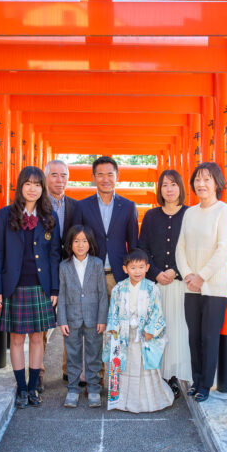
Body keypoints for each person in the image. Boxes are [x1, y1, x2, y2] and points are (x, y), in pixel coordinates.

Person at [0, 166, 61, 409]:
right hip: (14, 285)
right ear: (20, 186)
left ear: (42, 189)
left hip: (41, 287)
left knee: (38, 339)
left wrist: (54, 289)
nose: (33, 188)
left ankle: (33, 388)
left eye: (37, 184)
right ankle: (21, 388)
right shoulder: (5, 215)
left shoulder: (49, 217)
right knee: (17, 339)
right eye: (28, 183)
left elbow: (54, 256)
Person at [177, 162, 227, 402]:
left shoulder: (224, 211)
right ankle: (196, 379)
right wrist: (189, 274)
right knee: (194, 335)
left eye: (207, 179)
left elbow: (223, 249)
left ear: (217, 183)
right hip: (191, 285)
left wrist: (202, 276)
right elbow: (180, 247)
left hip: (215, 286)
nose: (201, 184)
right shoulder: (190, 212)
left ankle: (205, 385)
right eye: (198, 179)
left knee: (208, 337)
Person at [137, 169, 190, 398]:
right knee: (158, 330)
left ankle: (176, 374)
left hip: (182, 283)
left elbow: (194, 250)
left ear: (180, 188)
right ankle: (159, 375)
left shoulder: (191, 214)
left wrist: (176, 272)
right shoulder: (150, 216)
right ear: (159, 190)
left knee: (180, 330)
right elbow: (143, 249)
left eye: (173, 184)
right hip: (156, 285)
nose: (169, 189)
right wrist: (157, 273)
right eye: (165, 185)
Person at [103, 249, 174, 413]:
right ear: (125, 269)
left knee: (144, 366)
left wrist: (151, 330)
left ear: (147, 268)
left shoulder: (152, 289)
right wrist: (114, 331)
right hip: (124, 334)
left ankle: (148, 401)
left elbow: (157, 311)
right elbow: (113, 311)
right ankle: (122, 401)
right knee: (125, 366)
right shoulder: (118, 289)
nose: (137, 271)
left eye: (141, 267)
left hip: (144, 335)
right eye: (133, 267)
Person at [56, 225, 108, 408]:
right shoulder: (64, 266)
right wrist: (61, 320)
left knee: (94, 353)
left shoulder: (97, 264)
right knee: (72, 354)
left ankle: (94, 388)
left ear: (90, 243)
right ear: (70, 243)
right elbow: (61, 294)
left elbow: (102, 294)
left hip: (94, 317)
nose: (80, 245)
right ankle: (73, 389)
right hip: (71, 317)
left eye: (84, 241)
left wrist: (102, 318)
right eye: (76, 241)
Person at [71, 155, 139, 291]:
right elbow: (74, 241)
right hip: (89, 275)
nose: (105, 179)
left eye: (110, 174)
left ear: (117, 176)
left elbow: (133, 244)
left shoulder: (128, 206)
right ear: (93, 177)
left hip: (119, 275)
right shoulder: (82, 206)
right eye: (100, 175)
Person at [44, 159, 78, 389]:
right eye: (54, 175)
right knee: (41, 323)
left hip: (70, 270)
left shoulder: (77, 206)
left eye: (64, 175)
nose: (60, 179)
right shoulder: (36, 205)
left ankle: (69, 370)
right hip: (43, 271)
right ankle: (38, 372)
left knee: (72, 321)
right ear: (46, 177)